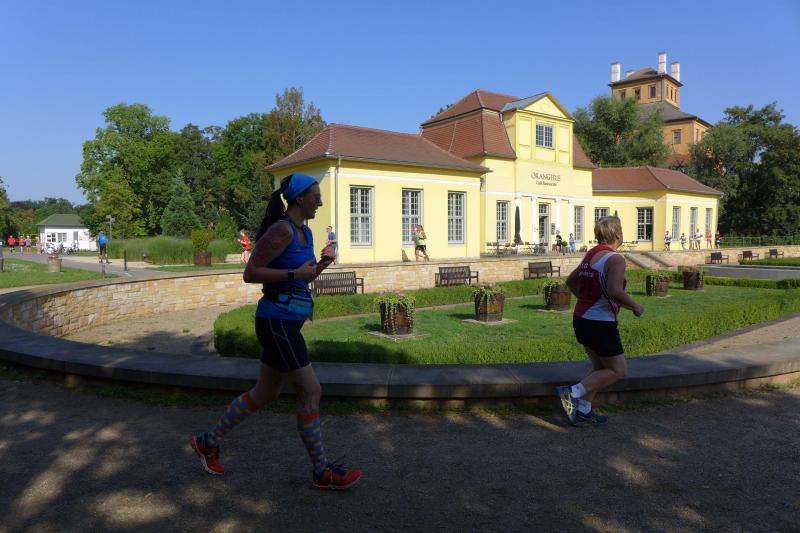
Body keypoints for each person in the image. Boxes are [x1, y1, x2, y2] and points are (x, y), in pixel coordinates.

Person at [190, 173, 361, 490]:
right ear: (299, 199)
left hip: (287, 321)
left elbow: (303, 277)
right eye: (316, 197)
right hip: (276, 321)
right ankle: (321, 470)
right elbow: (250, 273)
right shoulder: (282, 230)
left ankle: (207, 442)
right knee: (311, 390)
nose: (320, 202)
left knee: (265, 393)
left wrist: (322, 264)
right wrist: (295, 272)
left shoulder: (305, 232)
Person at [557, 216, 644, 426]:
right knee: (618, 371)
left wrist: (585, 299)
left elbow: (571, 281)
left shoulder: (591, 254)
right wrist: (635, 306)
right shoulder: (616, 259)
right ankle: (572, 393)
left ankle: (583, 411)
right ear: (618, 235)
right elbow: (615, 291)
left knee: (599, 367)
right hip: (600, 323)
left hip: (581, 319)